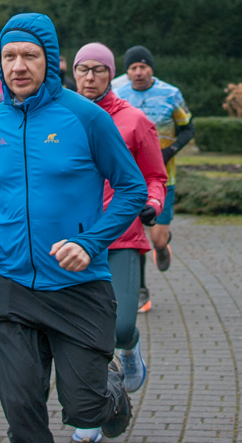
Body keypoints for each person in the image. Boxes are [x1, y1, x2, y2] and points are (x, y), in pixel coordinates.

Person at [0, 13, 145, 443]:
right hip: (12, 284)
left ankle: (111, 391)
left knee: (85, 409)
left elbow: (132, 188)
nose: (18, 66)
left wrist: (89, 241)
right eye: (9, 56)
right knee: (22, 413)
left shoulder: (86, 117)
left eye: (30, 55)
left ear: (51, 60)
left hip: (78, 286)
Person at [72, 42, 166, 402]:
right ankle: (96, 408)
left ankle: (130, 347)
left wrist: (152, 203)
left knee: (122, 326)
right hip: (73, 238)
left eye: (98, 70)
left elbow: (155, 176)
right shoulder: (62, 116)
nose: (90, 77)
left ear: (112, 74)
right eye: (83, 69)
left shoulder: (135, 120)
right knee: (82, 331)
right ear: (74, 73)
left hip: (121, 236)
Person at [113, 46, 194, 311]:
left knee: (157, 238)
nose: (138, 72)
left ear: (151, 69)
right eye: (133, 68)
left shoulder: (170, 94)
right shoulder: (115, 91)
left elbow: (188, 128)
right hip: (128, 180)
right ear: (127, 71)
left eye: (143, 67)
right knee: (133, 237)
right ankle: (140, 291)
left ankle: (162, 246)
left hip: (162, 179)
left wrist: (170, 151)